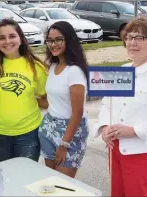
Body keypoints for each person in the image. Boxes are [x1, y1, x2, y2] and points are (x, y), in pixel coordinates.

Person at [94, 17, 147, 197]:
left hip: (143, 153)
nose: (132, 43)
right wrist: (105, 127)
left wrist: (132, 130)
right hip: (115, 148)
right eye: (129, 37)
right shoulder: (122, 70)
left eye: (140, 38)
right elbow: (107, 103)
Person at [0, 19, 48, 162]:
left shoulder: (36, 67)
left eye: (12, 36)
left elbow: (45, 100)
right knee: (7, 177)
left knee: (25, 178)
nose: (7, 41)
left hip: (28, 133)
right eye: (1, 38)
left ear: (21, 38)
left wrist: (28, 99)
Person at [38, 21, 89, 178]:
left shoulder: (74, 71)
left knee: (63, 184)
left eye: (59, 40)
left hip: (70, 133)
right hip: (49, 127)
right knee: (52, 181)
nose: (53, 44)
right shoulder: (52, 66)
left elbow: (77, 112)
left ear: (69, 40)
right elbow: (50, 101)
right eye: (50, 40)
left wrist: (64, 144)